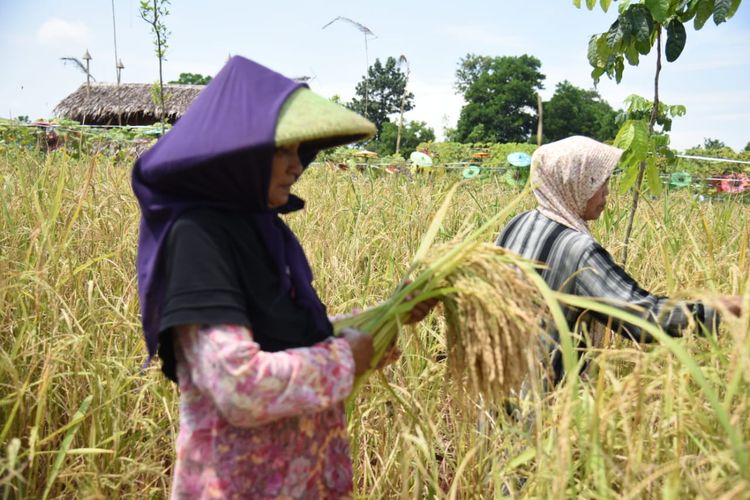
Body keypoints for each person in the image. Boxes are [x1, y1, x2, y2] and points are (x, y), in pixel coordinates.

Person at [132, 56, 434, 498]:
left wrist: (395, 311)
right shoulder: (198, 238)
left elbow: (298, 340)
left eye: (299, 152)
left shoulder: (267, 233)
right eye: (283, 151)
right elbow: (240, 385)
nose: (297, 167)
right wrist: (347, 360)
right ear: (238, 153)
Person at [495, 135, 741, 386]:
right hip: (541, 406)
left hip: (496, 390)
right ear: (574, 182)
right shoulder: (578, 251)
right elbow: (642, 317)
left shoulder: (518, 223)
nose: (607, 192)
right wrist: (722, 308)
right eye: (599, 182)